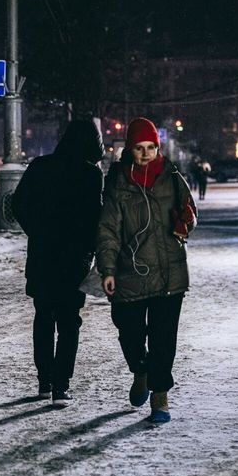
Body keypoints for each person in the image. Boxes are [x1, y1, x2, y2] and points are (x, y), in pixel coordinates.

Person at [97, 117, 197, 423]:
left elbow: (190, 213)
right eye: (139, 148)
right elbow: (108, 230)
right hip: (130, 272)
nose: (145, 154)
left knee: (163, 339)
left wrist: (186, 220)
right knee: (129, 332)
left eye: (150, 147)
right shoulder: (118, 182)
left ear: (158, 147)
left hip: (169, 273)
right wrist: (108, 269)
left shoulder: (172, 177)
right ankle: (140, 369)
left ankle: (160, 395)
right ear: (129, 149)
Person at [11, 119, 104, 407]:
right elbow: (96, 216)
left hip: (43, 254)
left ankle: (44, 381)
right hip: (74, 258)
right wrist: (90, 246)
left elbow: (18, 204)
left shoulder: (40, 166)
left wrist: (37, 231)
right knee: (69, 321)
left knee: (43, 317)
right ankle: (61, 386)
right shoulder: (91, 174)